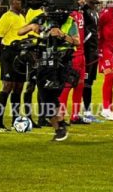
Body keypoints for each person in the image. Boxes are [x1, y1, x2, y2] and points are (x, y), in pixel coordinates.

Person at [18, 9, 80, 142]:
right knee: (45, 96)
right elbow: (20, 32)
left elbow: (77, 42)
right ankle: (59, 128)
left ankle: (60, 127)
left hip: (62, 61)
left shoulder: (70, 21)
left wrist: (62, 35)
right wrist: (31, 26)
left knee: (51, 95)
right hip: (43, 60)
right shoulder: (41, 18)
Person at [0, 0, 26, 131]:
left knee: (19, 87)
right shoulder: (6, 17)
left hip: (20, 55)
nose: (22, 2)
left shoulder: (21, 17)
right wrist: (2, 59)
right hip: (9, 54)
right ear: (12, 1)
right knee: (7, 86)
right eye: (20, 0)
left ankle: (15, 120)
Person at [60, 0, 88, 125]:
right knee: (67, 85)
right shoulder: (68, 15)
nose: (83, 0)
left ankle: (75, 116)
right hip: (72, 54)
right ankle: (61, 116)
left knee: (80, 85)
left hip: (82, 54)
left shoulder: (80, 14)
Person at [81, 0, 101, 122]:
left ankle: (86, 111)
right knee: (85, 83)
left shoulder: (95, 11)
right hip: (86, 52)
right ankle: (85, 112)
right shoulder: (83, 12)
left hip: (94, 52)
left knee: (90, 82)